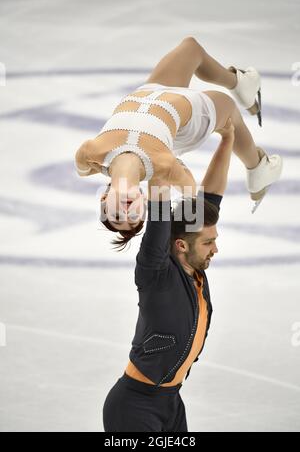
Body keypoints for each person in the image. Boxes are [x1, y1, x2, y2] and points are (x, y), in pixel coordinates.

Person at [74, 37, 282, 249]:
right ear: (144, 202)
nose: (127, 211)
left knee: (191, 48)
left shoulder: (90, 153)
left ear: (103, 201)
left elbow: (82, 169)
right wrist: (178, 181)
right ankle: (257, 168)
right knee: (228, 109)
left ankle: (239, 83)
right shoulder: (162, 167)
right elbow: (193, 195)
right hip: (189, 119)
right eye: (135, 215)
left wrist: (101, 169)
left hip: (151, 93)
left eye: (117, 216)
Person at [102, 117, 235, 432]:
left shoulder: (196, 270)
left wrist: (227, 140)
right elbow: (160, 214)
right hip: (135, 407)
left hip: (172, 404)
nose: (215, 249)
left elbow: (212, 196)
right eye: (208, 242)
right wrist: (158, 154)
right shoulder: (156, 272)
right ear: (180, 245)